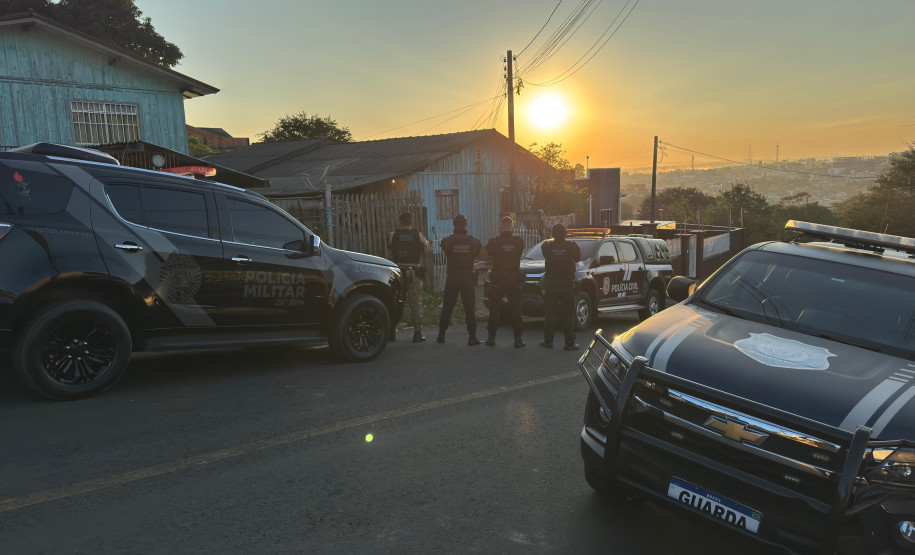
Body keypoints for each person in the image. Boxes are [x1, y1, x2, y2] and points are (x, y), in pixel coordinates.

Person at [437, 214, 482, 346]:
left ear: (453, 225)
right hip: (467, 277)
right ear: (466, 225)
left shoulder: (448, 241)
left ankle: (441, 335)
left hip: (453, 278)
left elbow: (444, 246)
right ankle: (472, 337)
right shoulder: (473, 242)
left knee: (447, 307)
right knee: (469, 308)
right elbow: (477, 252)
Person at [483, 216, 526, 348]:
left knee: (495, 310)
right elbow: (519, 252)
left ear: (501, 227)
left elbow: (487, 252)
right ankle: (518, 340)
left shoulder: (494, 242)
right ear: (512, 227)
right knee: (516, 310)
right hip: (513, 279)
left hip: (498, 280)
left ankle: (491, 338)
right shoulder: (518, 241)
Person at [388, 212, 429, 343]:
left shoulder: (393, 235)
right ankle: (417, 334)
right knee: (416, 304)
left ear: (400, 222)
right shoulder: (419, 236)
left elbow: (390, 247)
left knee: (395, 303)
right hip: (413, 273)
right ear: (412, 223)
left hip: (397, 273)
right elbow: (426, 248)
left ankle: (391, 333)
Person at [540, 223, 581, 351]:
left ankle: (548, 341)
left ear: (552, 234)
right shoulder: (571, 246)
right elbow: (578, 257)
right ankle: (569, 343)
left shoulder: (548, 247)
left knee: (550, 313)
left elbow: (545, 250)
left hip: (552, 284)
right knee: (568, 314)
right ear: (565, 234)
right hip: (567, 285)